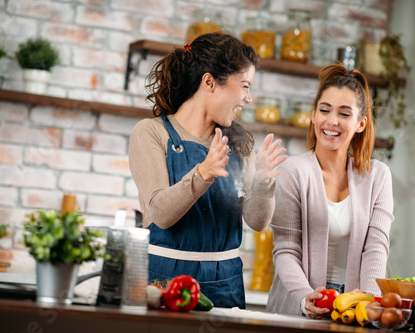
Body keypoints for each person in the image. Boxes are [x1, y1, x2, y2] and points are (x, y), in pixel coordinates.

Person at [128, 32, 287, 309]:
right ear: (210, 82)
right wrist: (202, 174)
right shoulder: (152, 133)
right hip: (164, 282)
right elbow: (160, 215)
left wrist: (264, 185)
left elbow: (257, 221)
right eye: (245, 86)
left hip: (226, 284)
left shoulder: (238, 145)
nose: (248, 98)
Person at [266, 64, 394, 318]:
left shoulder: (378, 176)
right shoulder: (293, 171)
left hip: (352, 312)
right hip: (295, 310)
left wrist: (367, 305)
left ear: (360, 124)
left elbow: (376, 248)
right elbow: (286, 249)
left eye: (345, 114)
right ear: (313, 115)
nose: (332, 121)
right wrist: (305, 296)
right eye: (324, 110)